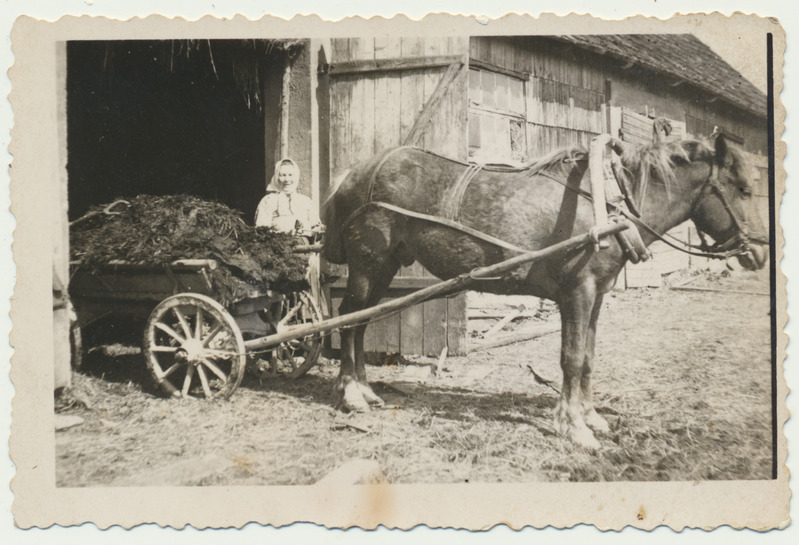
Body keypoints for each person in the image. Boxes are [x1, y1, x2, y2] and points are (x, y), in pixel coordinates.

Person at [255, 158, 320, 235]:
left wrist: (316, 230)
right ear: (276, 177)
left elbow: (316, 227)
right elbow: (261, 231)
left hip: (305, 244)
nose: (287, 179)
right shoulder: (268, 201)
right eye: (282, 175)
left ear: (296, 177)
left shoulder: (306, 201)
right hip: (278, 244)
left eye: (290, 175)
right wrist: (286, 233)